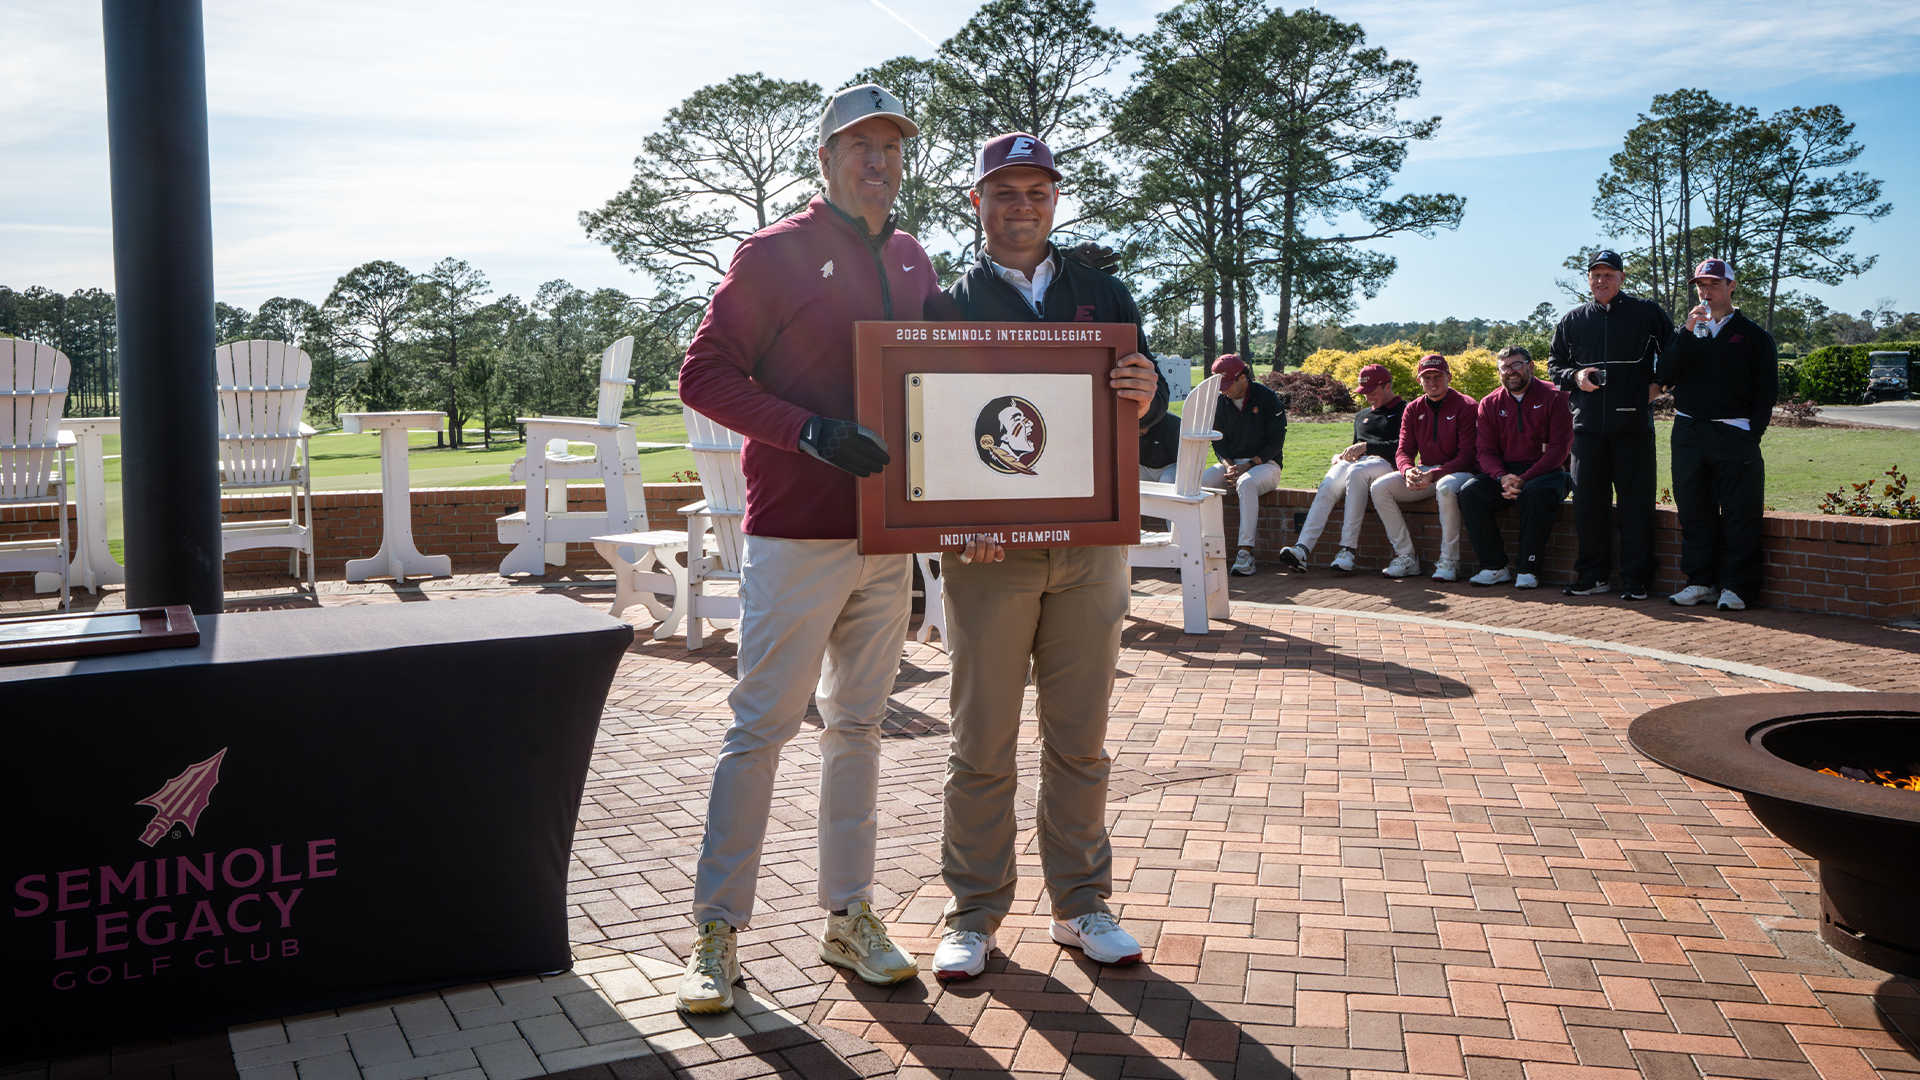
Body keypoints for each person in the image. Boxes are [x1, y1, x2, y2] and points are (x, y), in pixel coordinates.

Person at [672, 83, 942, 1014]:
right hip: (795, 531)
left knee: (860, 729)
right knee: (760, 730)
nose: (877, 161)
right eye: (857, 146)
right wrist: (809, 433)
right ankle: (715, 932)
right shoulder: (776, 252)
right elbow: (702, 374)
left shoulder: (912, 259)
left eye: (890, 147)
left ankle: (848, 916)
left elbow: (945, 379)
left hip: (887, 537)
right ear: (824, 160)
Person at [934, 131, 1168, 981]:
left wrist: (1147, 392)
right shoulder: (944, 303)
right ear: (978, 204)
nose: (1021, 207)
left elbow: (1144, 394)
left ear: (1056, 200)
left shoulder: (1101, 291)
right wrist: (955, 520)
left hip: (1089, 549)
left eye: (1036, 192)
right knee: (982, 740)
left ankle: (1081, 906)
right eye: (1005, 193)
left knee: (1081, 740)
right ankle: (974, 912)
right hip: (989, 555)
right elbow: (928, 429)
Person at [1548, 249, 1675, 601]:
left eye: (1608, 274)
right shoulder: (1573, 319)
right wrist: (1576, 375)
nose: (1601, 280)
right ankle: (1592, 575)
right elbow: (1554, 365)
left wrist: (1658, 386)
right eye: (1595, 275)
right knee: (1589, 505)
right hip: (1587, 428)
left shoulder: (1646, 313)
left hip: (1632, 426)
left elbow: (1675, 352)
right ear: (1588, 279)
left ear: (1621, 278)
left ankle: (1635, 578)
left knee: (1636, 506)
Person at [1657, 258, 1779, 612]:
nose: (1706, 291)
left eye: (1713, 284)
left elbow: (1766, 392)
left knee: (1741, 513)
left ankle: (1738, 587)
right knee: (1694, 511)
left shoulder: (1754, 336)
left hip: (1734, 433)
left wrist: (1750, 433)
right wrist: (1684, 332)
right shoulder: (1689, 331)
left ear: (1731, 287)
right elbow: (1664, 373)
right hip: (1689, 431)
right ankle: (1700, 582)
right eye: (1700, 285)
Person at [1457, 346, 1573, 589]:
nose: (1511, 372)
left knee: (1536, 494)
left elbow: (1558, 451)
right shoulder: (1489, 403)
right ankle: (1494, 566)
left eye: (1516, 365)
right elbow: (1485, 451)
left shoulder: (1557, 396)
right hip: (1505, 473)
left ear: (1530, 366)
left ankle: (1528, 569)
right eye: (1504, 368)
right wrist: (1501, 478)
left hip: (1550, 473)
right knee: (1470, 493)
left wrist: (1524, 479)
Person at [1278, 363, 1404, 573]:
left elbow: (1403, 447)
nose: (1368, 398)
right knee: (1329, 483)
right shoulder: (1360, 416)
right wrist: (1343, 455)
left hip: (1386, 466)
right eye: (1364, 393)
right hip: (1359, 465)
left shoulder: (1405, 410)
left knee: (1355, 472)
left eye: (1373, 393)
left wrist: (1366, 447)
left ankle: (1347, 550)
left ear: (1388, 386)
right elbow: (1357, 447)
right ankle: (1302, 549)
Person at [1368, 354, 1479, 580]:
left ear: (1448, 376)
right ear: (1420, 381)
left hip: (1460, 473)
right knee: (1380, 487)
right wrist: (1408, 470)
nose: (1432, 382)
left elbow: (1468, 455)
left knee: (1446, 487)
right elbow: (1403, 451)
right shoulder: (1413, 408)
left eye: (1437, 376)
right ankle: (1406, 557)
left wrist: (1434, 474)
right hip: (1426, 471)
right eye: (1426, 377)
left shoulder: (1467, 405)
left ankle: (1450, 561)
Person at [1201, 354, 1287, 575]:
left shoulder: (1267, 397)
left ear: (1242, 377)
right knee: (1204, 481)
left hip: (1266, 465)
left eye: (1228, 384)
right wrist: (1229, 465)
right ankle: (1202, 549)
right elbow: (1218, 442)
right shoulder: (1218, 401)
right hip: (1234, 464)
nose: (1224, 390)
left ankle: (1245, 552)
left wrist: (1247, 466)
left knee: (1247, 483)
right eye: (1221, 385)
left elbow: (1276, 442)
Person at [1140, 409, 1182, 483]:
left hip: (1168, 466)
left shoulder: (1172, 425)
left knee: (1166, 481)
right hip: (1142, 467)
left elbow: (1184, 459)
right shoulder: (1127, 426)